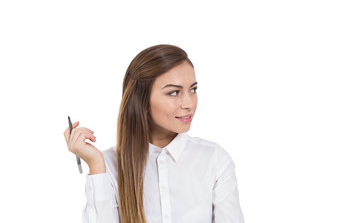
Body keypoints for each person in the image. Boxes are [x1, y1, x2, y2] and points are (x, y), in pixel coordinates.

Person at [63, 44, 245, 223]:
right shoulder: (108, 165)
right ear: (140, 100)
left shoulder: (214, 160)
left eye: (193, 89)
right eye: (174, 92)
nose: (189, 103)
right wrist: (96, 165)